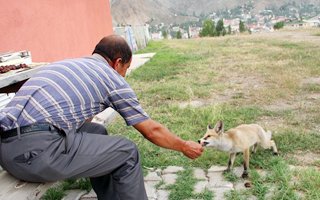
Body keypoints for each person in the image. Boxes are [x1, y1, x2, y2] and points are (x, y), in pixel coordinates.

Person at [0, 35, 203, 200]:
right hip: (35, 156)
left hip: (6, 151)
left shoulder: (69, 65)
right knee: (128, 152)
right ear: (118, 63)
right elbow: (151, 130)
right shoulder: (112, 79)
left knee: (98, 132)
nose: (124, 75)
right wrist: (184, 145)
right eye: (125, 69)